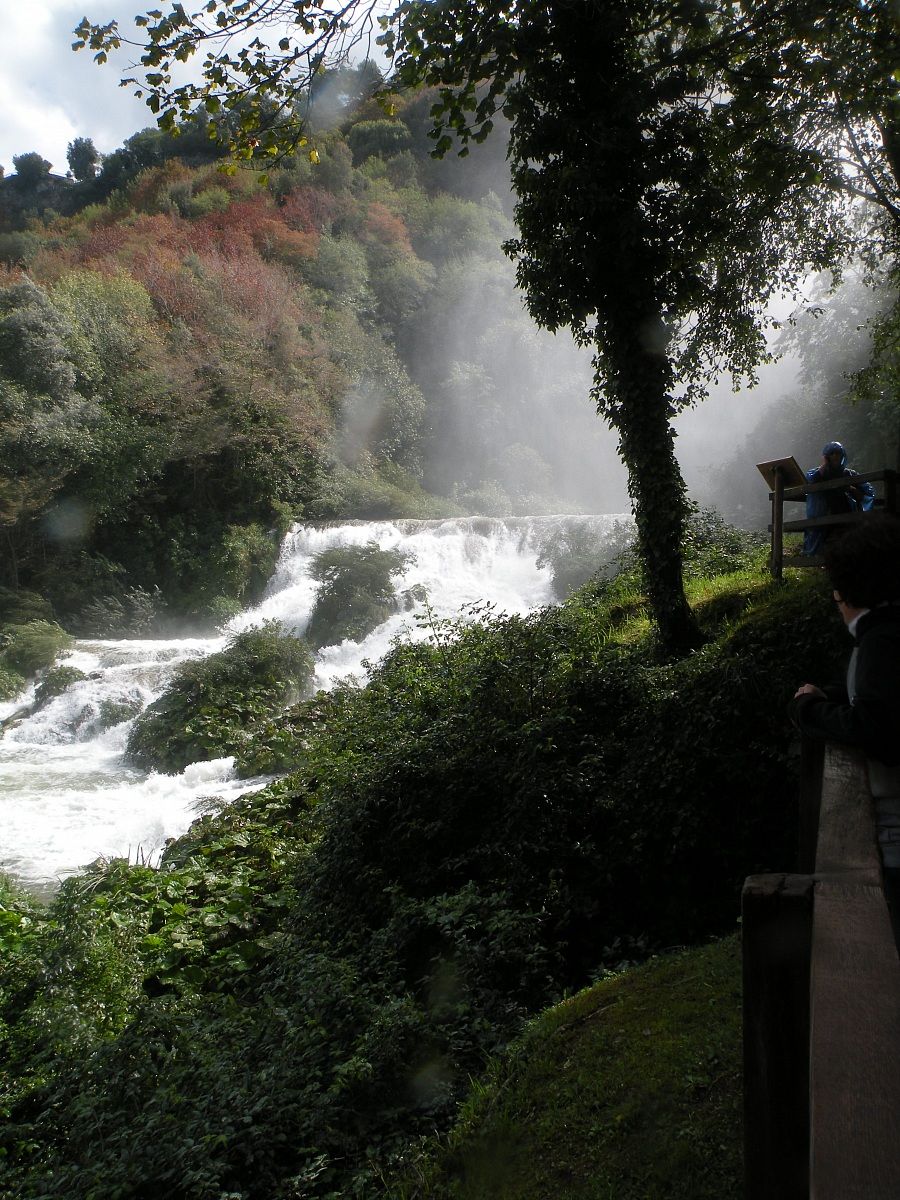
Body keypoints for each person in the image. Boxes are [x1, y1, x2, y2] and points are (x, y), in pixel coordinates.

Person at [793, 515, 900, 946]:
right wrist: (833, 697)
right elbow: (882, 698)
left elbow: (876, 727)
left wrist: (810, 711)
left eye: (836, 595)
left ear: (853, 589)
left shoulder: (881, 641)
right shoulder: (888, 633)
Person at [802, 440, 875, 555]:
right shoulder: (818, 473)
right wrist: (824, 465)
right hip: (824, 519)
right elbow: (810, 480)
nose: (835, 456)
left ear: (842, 455)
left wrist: (850, 488)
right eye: (831, 453)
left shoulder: (849, 474)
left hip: (846, 516)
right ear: (827, 456)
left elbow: (867, 494)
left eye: (837, 453)